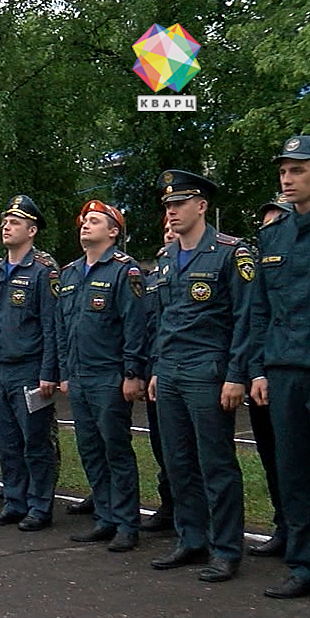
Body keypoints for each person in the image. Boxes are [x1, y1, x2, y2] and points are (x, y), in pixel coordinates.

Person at [147, 169, 251, 583]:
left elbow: (245, 318)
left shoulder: (230, 252)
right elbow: (164, 319)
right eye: (168, 206)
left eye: (179, 204)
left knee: (216, 463)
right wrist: (156, 367)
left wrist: (236, 374)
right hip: (170, 369)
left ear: (202, 206)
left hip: (208, 369)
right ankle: (192, 538)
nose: (171, 212)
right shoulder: (165, 258)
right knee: (178, 461)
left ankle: (226, 548)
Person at [250, 135, 310, 602]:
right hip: (283, 370)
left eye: (299, 169)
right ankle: (307, 565)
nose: (287, 178)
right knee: (294, 470)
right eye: (283, 169)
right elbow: (259, 309)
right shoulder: (271, 236)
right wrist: (258, 369)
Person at [56, 200, 148, 552]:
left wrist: (131, 372)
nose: (85, 225)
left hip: (109, 375)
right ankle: (106, 517)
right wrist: (65, 371)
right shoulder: (70, 273)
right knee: (90, 450)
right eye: (83, 221)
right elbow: (62, 327)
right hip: (79, 377)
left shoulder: (125, 271)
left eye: (94, 221)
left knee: (116, 450)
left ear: (113, 231)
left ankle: (127, 522)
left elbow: (134, 326)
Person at [0, 196, 60, 529]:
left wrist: (48, 372)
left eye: (14, 222)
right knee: (5, 440)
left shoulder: (43, 271)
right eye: (5, 222)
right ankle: (15, 500)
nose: (6, 227)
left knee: (36, 442)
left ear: (32, 230)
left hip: (29, 369)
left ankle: (39, 506)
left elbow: (51, 325)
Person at [246, 195, 294, 558]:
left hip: (304, 373)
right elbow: (252, 322)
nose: (269, 229)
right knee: (274, 458)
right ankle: (285, 527)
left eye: (277, 221)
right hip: (265, 375)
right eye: (265, 224)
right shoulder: (261, 268)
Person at [140, 218, 179, 532]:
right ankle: (170, 504)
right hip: (157, 369)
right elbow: (146, 327)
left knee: (188, 449)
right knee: (162, 445)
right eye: (163, 225)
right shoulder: (154, 275)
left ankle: (194, 512)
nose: (168, 229)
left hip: (190, 369)